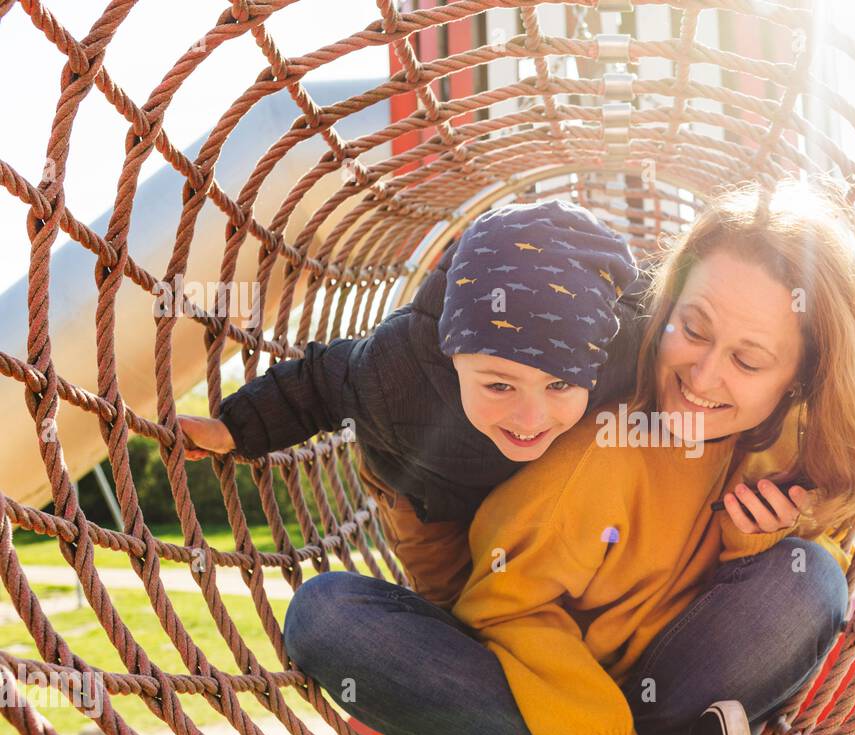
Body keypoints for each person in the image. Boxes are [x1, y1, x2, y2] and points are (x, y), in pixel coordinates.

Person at [282, 178, 855, 735]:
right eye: (691, 329)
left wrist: (753, 552)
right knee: (325, 616)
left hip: (673, 681)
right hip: (537, 679)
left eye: (748, 362)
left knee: (811, 579)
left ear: (801, 379)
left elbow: (798, 584)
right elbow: (502, 605)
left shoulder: (792, 451)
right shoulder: (601, 447)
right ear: (664, 309)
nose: (702, 376)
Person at [177, 198, 646, 606]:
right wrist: (230, 430)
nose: (530, 416)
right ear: (452, 351)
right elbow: (315, 382)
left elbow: (661, 311)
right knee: (455, 601)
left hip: (522, 478)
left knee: (547, 579)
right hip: (420, 487)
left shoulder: (617, 353)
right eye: (499, 386)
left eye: (559, 386)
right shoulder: (390, 370)